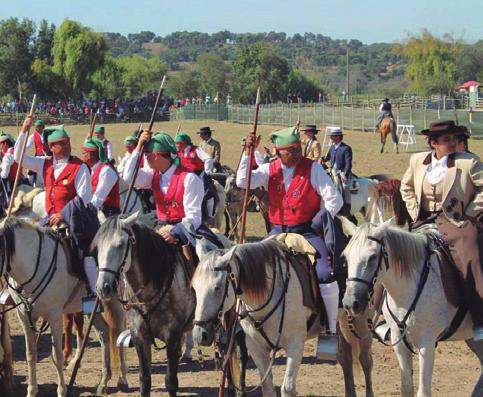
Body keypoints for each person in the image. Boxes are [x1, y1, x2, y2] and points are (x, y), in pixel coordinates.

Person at [236, 127, 343, 347]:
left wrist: (319, 219)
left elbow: (335, 199)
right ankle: (241, 325)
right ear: (278, 151)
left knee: (325, 274)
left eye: (297, 149)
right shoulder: (269, 169)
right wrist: (248, 153)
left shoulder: (313, 168)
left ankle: (330, 329)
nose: (295, 154)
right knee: (246, 269)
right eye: (289, 151)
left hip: (306, 231)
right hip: (277, 231)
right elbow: (242, 181)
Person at [400, 120, 483, 341]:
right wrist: (414, 210)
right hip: (423, 220)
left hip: (457, 222)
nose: (453, 143)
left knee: (470, 254)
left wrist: (469, 212)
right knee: (393, 249)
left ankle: (479, 318)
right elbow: (405, 186)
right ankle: (380, 316)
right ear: (433, 143)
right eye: (447, 140)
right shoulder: (417, 160)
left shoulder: (469, 162)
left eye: (455, 138)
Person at [14, 117, 98, 297]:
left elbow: (84, 198)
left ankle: (93, 291)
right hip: (49, 219)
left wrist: (63, 214)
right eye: (61, 143)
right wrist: (23, 131)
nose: (67, 146)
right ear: (51, 147)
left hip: (76, 220)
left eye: (67, 142)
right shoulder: (44, 163)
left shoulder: (80, 167)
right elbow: (18, 157)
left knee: (84, 252)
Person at [122, 130, 222, 248]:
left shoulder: (190, 179)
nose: (145, 158)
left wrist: (175, 232)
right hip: (160, 227)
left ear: (157, 156)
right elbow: (128, 177)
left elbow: (194, 217)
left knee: (207, 258)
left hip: (185, 229)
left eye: (147, 154)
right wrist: (138, 147)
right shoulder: (152, 175)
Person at [82, 137, 120, 218]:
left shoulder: (106, 170)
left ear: (89, 155)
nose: (82, 156)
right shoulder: (93, 170)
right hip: (98, 211)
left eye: (83, 153)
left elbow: (99, 197)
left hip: (109, 214)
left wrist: (86, 211)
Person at [321, 127, 353, 214]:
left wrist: (345, 175)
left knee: (344, 186)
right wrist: (322, 159)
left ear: (338, 137)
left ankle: (346, 205)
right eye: (331, 136)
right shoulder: (332, 147)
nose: (331, 138)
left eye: (332, 136)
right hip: (332, 171)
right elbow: (327, 157)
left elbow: (348, 164)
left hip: (341, 172)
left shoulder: (346, 148)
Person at [26, 119, 47, 186]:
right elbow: (27, 146)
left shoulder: (47, 134)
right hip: (38, 156)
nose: (37, 128)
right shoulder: (33, 136)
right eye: (36, 127)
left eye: (39, 126)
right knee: (31, 170)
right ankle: (30, 184)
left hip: (47, 157)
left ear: (42, 127)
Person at [0, 132, 20, 200]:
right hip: (19, 178)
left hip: (12, 182)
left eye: (1, 144)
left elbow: (4, 175)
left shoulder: (7, 156)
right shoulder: (16, 151)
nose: (1, 147)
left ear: (5, 144)